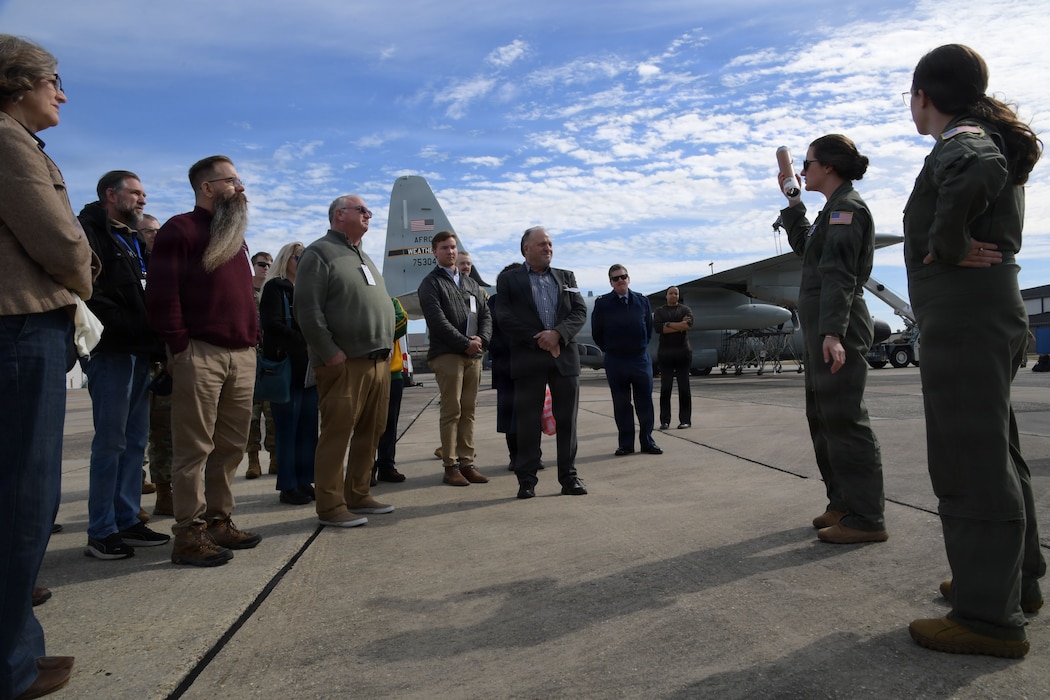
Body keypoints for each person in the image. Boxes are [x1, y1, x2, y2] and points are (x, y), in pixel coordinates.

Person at [902, 44, 1045, 659]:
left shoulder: (964, 139)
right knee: (995, 448)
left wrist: (950, 239)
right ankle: (1014, 583)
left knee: (969, 459)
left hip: (965, 316)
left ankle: (988, 617)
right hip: (984, 312)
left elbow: (978, 164)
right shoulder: (979, 131)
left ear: (923, 96)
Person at [0, 33, 93, 699]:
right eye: (52, 81)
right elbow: (59, 238)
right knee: (25, 496)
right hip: (22, 324)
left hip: (23, 323)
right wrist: (83, 276)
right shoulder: (8, 141)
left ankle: (19, 651)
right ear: (17, 83)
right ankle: (11, 666)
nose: (59, 94)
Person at [145, 155, 262, 567]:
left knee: (230, 444)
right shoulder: (181, 228)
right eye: (232, 181)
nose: (240, 187)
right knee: (194, 446)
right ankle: (188, 532)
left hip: (242, 353)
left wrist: (254, 340)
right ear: (206, 187)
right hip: (200, 351)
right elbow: (161, 293)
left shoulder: (235, 234)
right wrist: (179, 345)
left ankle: (219, 521)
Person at [777, 134, 886, 546]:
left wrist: (833, 333)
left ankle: (868, 516)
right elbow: (809, 249)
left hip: (836, 324)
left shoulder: (848, 209)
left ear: (829, 166)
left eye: (807, 164)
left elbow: (840, 275)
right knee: (823, 418)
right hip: (824, 325)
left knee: (845, 419)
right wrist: (793, 206)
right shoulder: (830, 211)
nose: (802, 171)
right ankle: (843, 502)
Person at [78, 170, 170, 559]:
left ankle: (127, 518)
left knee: (135, 442)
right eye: (135, 193)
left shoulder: (133, 240)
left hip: (139, 352)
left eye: (144, 193)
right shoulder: (88, 232)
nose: (143, 199)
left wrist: (156, 346)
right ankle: (101, 530)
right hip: (111, 351)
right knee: (111, 442)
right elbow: (90, 291)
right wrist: (127, 327)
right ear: (110, 195)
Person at [295, 195, 395, 527]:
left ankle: (358, 493)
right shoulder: (320, 252)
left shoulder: (362, 256)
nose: (369, 214)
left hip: (378, 363)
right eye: (362, 210)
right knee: (338, 433)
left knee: (372, 431)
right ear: (340, 215)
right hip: (345, 363)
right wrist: (329, 353)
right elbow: (307, 309)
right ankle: (330, 505)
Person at [494, 226, 588, 499]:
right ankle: (526, 480)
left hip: (564, 359)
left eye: (549, 243)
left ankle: (569, 478)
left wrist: (558, 334)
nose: (548, 247)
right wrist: (541, 340)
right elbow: (505, 317)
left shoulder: (566, 276)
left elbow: (579, 311)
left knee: (567, 421)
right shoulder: (509, 280)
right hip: (528, 358)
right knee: (527, 422)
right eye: (541, 244)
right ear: (526, 249)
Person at [418, 230, 493, 486]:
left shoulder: (471, 284)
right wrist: (465, 343)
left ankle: (466, 462)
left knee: (469, 411)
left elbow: (486, 315)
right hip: (448, 354)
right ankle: (450, 466)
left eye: (452, 247)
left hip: (474, 356)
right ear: (434, 252)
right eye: (444, 248)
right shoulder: (431, 284)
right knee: (452, 410)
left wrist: (481, 339)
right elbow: (437, 322)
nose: (449, 252)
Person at [259, 242, 317, 506]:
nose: (302, 262)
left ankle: (305, 480)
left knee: (307, 429)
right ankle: (288, 485)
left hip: (308, 370)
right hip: (287, 368)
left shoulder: (307, 290)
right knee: (287, 430)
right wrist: (307, 340)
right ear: (287, 259)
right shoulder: (275, 288)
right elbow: (272, 325)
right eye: (298, 257)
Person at [590, 264, 661, 456]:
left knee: (644, 401)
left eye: (623, 276)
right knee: (621, 403)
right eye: (616, 278)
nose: (620, 280)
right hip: (616, 360)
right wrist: (610, 349)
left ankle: (647, 442)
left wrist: (640, 346)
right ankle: (626, 444)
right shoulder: (603, 303)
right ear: (611, 283)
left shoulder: (642, 301)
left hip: (639, 359)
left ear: (629, 279)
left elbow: (648, 327)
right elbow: (597, 332)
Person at [246, 250, 276, 479]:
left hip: (271, 357)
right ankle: (253, 460)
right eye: (261, 264)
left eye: (268, 264)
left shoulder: (274, 291)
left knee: (272, 412)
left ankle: (275, 458)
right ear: (253, 265)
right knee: (251, 415)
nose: (265, 268)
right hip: (250, 358)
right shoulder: (244, 290)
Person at [373, 297, 409, 485]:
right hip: (367, 370)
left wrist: (375, 333)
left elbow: (402, 320)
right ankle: (366, 467)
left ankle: (386, 465)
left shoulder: (391, 301)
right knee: (366, 423)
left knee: (390, 423)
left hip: (392, 373)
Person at [653, 286, 693, 430]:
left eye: (676, 293)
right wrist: (678, 326)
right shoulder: (659, 311)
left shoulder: (685, 310)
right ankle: (665, 420)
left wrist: (668, 325)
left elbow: (688, 325)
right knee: (666, 388)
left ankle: (685, 420)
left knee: (684, 387)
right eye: (671, 293)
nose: (673, 296)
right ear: (666, 296)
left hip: (683, 353)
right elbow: (659, 328)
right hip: (665, 354)